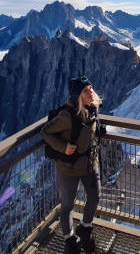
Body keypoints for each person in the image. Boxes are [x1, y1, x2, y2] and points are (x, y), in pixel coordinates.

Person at [40, 76, 102, 254]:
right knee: (67, 205)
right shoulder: (67, 116)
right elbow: (45, 132)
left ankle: (85, 227)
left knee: (95, 196)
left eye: (90, 87)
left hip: (90, 164)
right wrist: (63, 147)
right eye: (85, 90)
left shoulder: (93, 108)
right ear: (77, 95)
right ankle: (70, 240)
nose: (90, 91)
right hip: (69, 167)